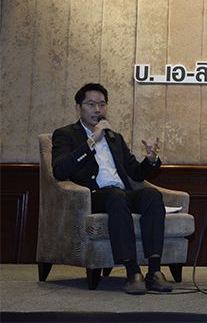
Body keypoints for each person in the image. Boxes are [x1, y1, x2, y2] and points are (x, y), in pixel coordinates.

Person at [52, 83, 172, 295]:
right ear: (78, 107)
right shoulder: (65, 134)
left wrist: (151, 160)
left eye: (102, 104)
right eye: (91, 104)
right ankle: (133, 272)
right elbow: (60, 170)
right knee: (116, 196)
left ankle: (154, 271)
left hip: (121, 194)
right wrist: (91, 141)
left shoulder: (115, 137)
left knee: (152, 195)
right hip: (93, 196)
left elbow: (135, 173)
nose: (97, 110)